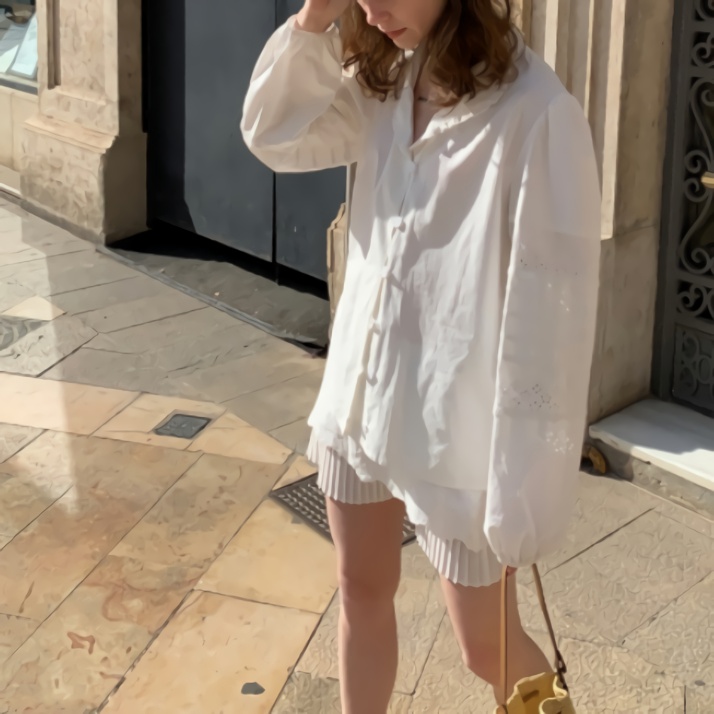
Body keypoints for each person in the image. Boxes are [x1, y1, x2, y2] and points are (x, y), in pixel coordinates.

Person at [242, 0, 601, 711]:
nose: (372, 8)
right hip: (362, 395)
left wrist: (520, 486)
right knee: (359, 590)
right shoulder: (384, 82)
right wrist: (313, 19)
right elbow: (275, 134)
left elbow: (550, 328)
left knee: (487, 647)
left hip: (457, 433)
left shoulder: (534, 113)